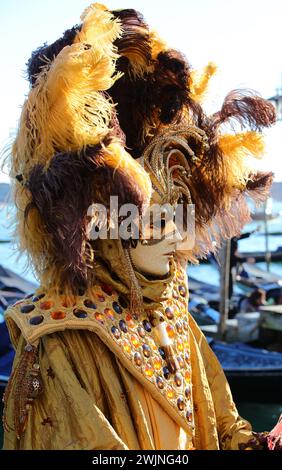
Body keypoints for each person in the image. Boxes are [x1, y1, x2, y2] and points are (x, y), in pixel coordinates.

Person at [2, 4, 279, 450]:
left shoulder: (172, 308)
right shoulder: (62, 340)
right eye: (156, 216)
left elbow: (221, 424)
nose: (175, 231)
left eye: (182, 210)